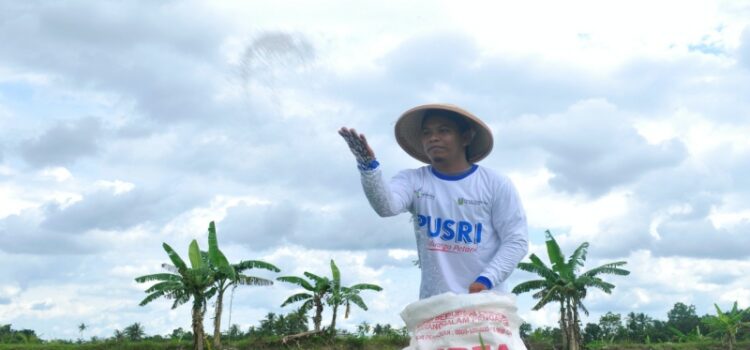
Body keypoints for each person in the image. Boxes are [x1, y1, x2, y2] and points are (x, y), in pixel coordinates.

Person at [339, 103, 529, 299]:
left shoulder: (495, 184)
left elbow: (516, 240)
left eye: (444, 131)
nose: (433, 138)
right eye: (426, 132)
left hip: (485, 303)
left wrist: (486, 280)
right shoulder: (413, 181)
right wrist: (368, 167)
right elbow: (386, 207)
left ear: (466, 137)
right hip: (434, 306)